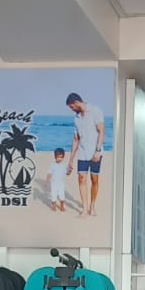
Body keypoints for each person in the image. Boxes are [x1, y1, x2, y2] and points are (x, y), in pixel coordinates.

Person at [66, 90, 105, 218]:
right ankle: (84, 208)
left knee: (94, 179)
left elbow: (101, 131)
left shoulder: (95, 111)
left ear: (76, 102)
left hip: (95, 152)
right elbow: (76, 139)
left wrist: (98, 151)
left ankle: (92, 206)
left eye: (72, 107)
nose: (72, 110)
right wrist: (71, 160)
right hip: (82, 153)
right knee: (81, 178)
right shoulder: (76, 118)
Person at [47, 147, 69, 213]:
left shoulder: (64, 166)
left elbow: (67, 173)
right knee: (53, 196)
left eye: (61, 157)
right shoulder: (52, 165)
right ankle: (54, 206)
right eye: (58, 157)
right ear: (55, 157)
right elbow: (49, 173)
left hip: (61, 184)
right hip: (53, 184)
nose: (59, 159)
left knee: (62, 196)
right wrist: (47, 181)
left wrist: (69, 171)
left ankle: (62, 206)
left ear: (63, 157)